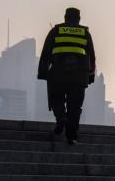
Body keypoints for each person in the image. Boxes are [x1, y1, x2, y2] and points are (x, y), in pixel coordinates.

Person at [37, 7, 96, 145]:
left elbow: (46, 53)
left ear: (65, 17)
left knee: (56, 98)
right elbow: (92, 56)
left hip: (58, 73)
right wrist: (90, 76)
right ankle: (72, 136)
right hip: (79, 76)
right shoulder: (85, 33)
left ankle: (61, 117)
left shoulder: (55, 31)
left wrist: (43, 73)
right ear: (79, 19)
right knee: (75, 107)